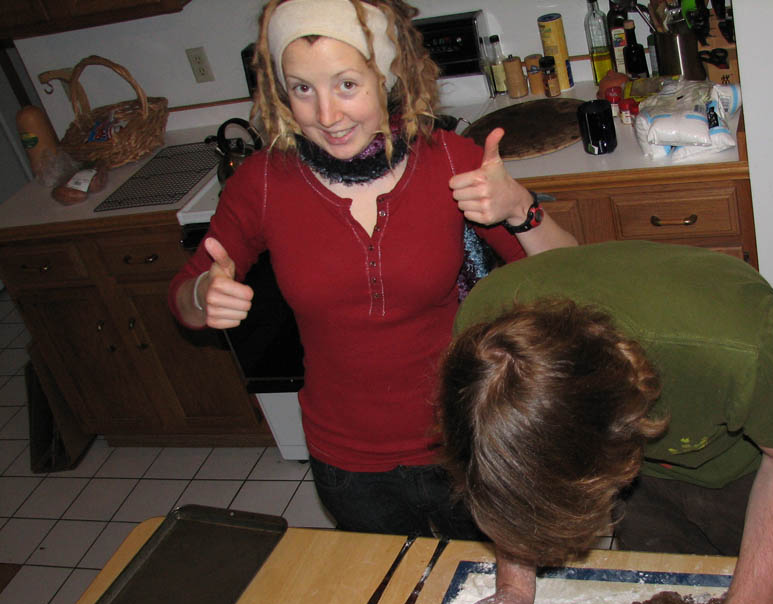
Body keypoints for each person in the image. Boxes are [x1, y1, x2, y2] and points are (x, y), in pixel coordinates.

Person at [168, 0, 576, 538]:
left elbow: (569, 273)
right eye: (302, 89)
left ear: (385, 77)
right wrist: (203, 294)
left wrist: (520, 207)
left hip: (463, 438)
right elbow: (184, 299)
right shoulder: (262, 182)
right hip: (347, 460)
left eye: (346, 85)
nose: (327, 116)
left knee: (480, 587)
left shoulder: (449, 159)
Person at [437, 241, 773, 604]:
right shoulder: (483, 340)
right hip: (639, 472)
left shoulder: (742, 348)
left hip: (761, 466)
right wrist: (515, 588)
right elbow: (509, 478)